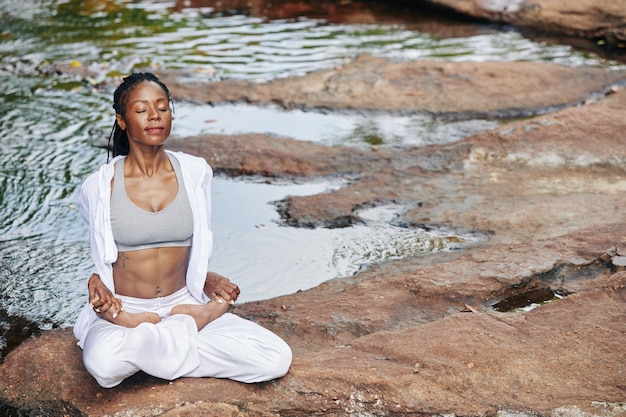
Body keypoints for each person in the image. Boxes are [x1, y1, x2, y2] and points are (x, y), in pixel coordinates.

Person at [73, 72, 292, 388]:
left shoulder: (194, 172)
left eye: (163, 107)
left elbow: (199, 240)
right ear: (121, 120)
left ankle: (164, 344)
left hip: (184, 303)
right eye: (141, 109)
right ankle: (175, 338)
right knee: (103, 364)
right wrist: (98, 278)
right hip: (125, 312)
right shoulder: (99, 186)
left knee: (275, 358)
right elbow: (97, 238)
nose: (154, 116)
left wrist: (203, 277)